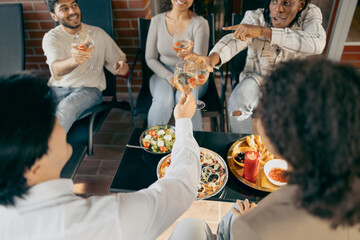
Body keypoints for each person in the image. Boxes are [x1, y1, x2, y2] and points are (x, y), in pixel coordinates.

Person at [171, 58, 360, 240]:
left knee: (190, 226)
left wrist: (250, 222)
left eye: (262, 107)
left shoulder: (258, 227)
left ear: (279, 134)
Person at [0, 73, 201, 239]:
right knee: (194, 228)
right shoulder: (104, 221)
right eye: (52, 122)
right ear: (32, 166)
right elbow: (180, 187)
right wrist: (183, 121)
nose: (60, 126)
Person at [186, 0, 326, 133]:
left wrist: (263, 31)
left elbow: (317, 44)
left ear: (300, 5)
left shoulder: (310, 14)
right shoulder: (254, 17)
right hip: (257, 77)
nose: (279, 9)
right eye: (274, 1)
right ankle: (244, 145)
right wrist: (212, 59)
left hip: (291, 82)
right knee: (237, 104)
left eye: (287, 3)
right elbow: (234, 40)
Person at [42, 0, 129, 133]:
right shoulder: (51, 37)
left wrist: (123, 67)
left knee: (66, 108)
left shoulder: (98, 34)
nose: (72, 12)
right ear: (54, 16)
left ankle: (48, 151)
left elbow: (120, 65)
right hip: (56, 90)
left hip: (88, 90)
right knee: (30, 108)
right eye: (64, 8)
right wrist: (74, 60)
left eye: (74, 5)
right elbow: (56, 69)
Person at [146, 0, 210, 131]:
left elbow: (200, 62)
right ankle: (154, 144)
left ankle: (194, 145)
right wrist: (170, 76)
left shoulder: (200, 23)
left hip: (193, 74)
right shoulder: (156, 21)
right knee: (163, 100)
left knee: (185, 98)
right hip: (163, 73)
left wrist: (190, 53)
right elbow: (150, 58)